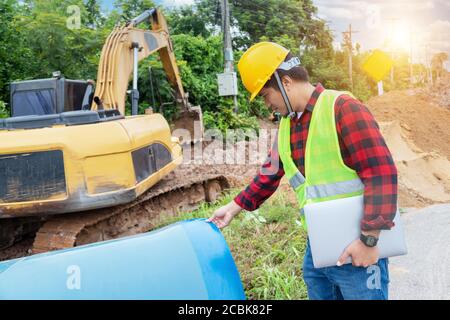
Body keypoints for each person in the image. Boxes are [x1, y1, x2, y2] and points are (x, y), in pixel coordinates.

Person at [208, 42, 398, 300]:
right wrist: (232, 208)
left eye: (266, 96)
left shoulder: (342, 108)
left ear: (285, 83)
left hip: (359, 249)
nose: (267, 105)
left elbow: (381, 173)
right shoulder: (287, 125)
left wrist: (369, 240)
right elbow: (270, 173)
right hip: (320, 250)